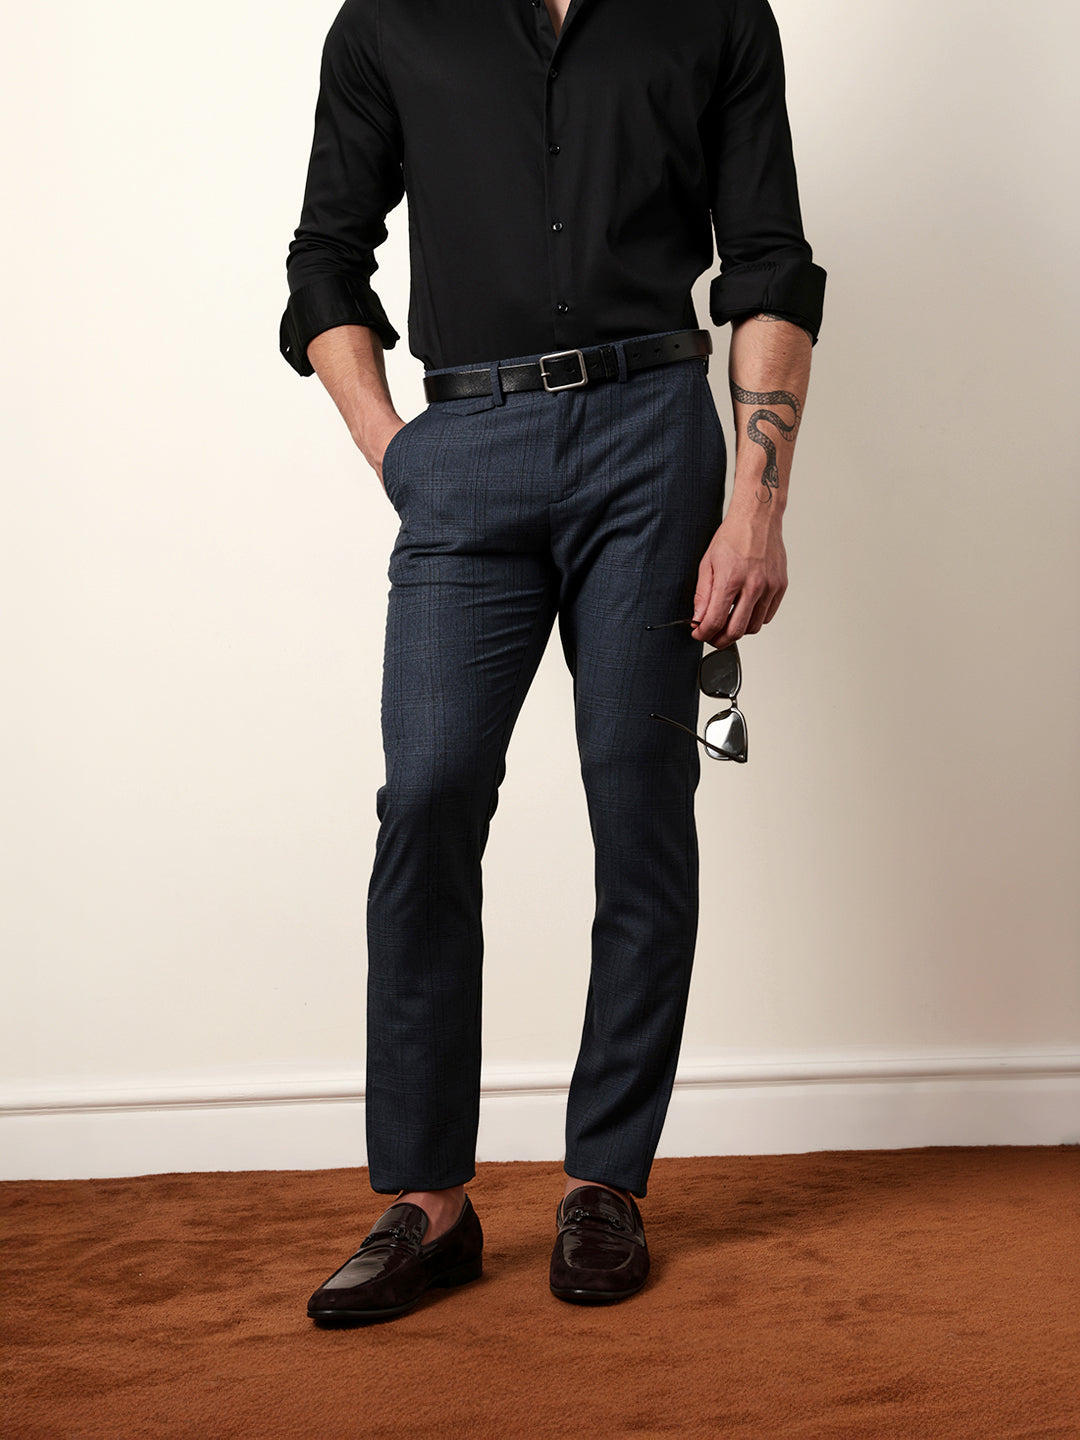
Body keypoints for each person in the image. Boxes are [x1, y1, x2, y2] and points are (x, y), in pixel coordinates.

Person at [279, 0, 826, 1324]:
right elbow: (325, 258)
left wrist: (757, 507)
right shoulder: (389, 21)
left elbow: (767, 261)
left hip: (653, 438)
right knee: (428, 795)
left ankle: (606, 1182)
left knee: (641, 801)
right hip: (463, 444)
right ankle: (427, 1202)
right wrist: (396, 449)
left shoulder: (714, 14)